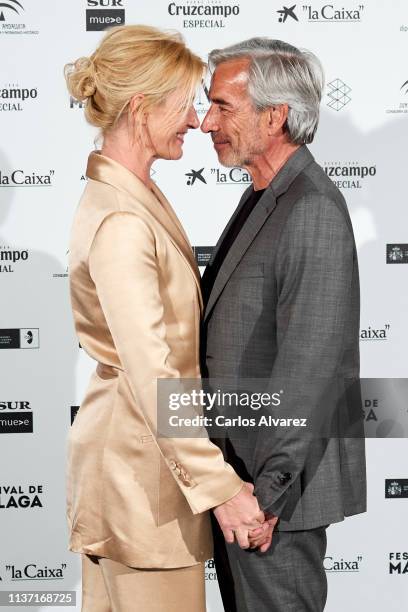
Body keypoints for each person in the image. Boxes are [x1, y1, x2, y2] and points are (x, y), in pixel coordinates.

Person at [65, 25, 267, 612]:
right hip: (141, 486)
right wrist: (221, 486)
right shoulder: (122, 218)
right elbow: (154, 372)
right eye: (183, 105)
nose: (195, 120)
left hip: (134, 471)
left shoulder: (129, 195)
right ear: (139, 107)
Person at [200, 38, 367, 611]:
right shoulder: (268, 195)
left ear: (275, 116)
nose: (205, 122)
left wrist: (265, 497)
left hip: (273, 495)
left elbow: (309, 369)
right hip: (240, 479)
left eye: (223, 106)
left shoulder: (311, 206)